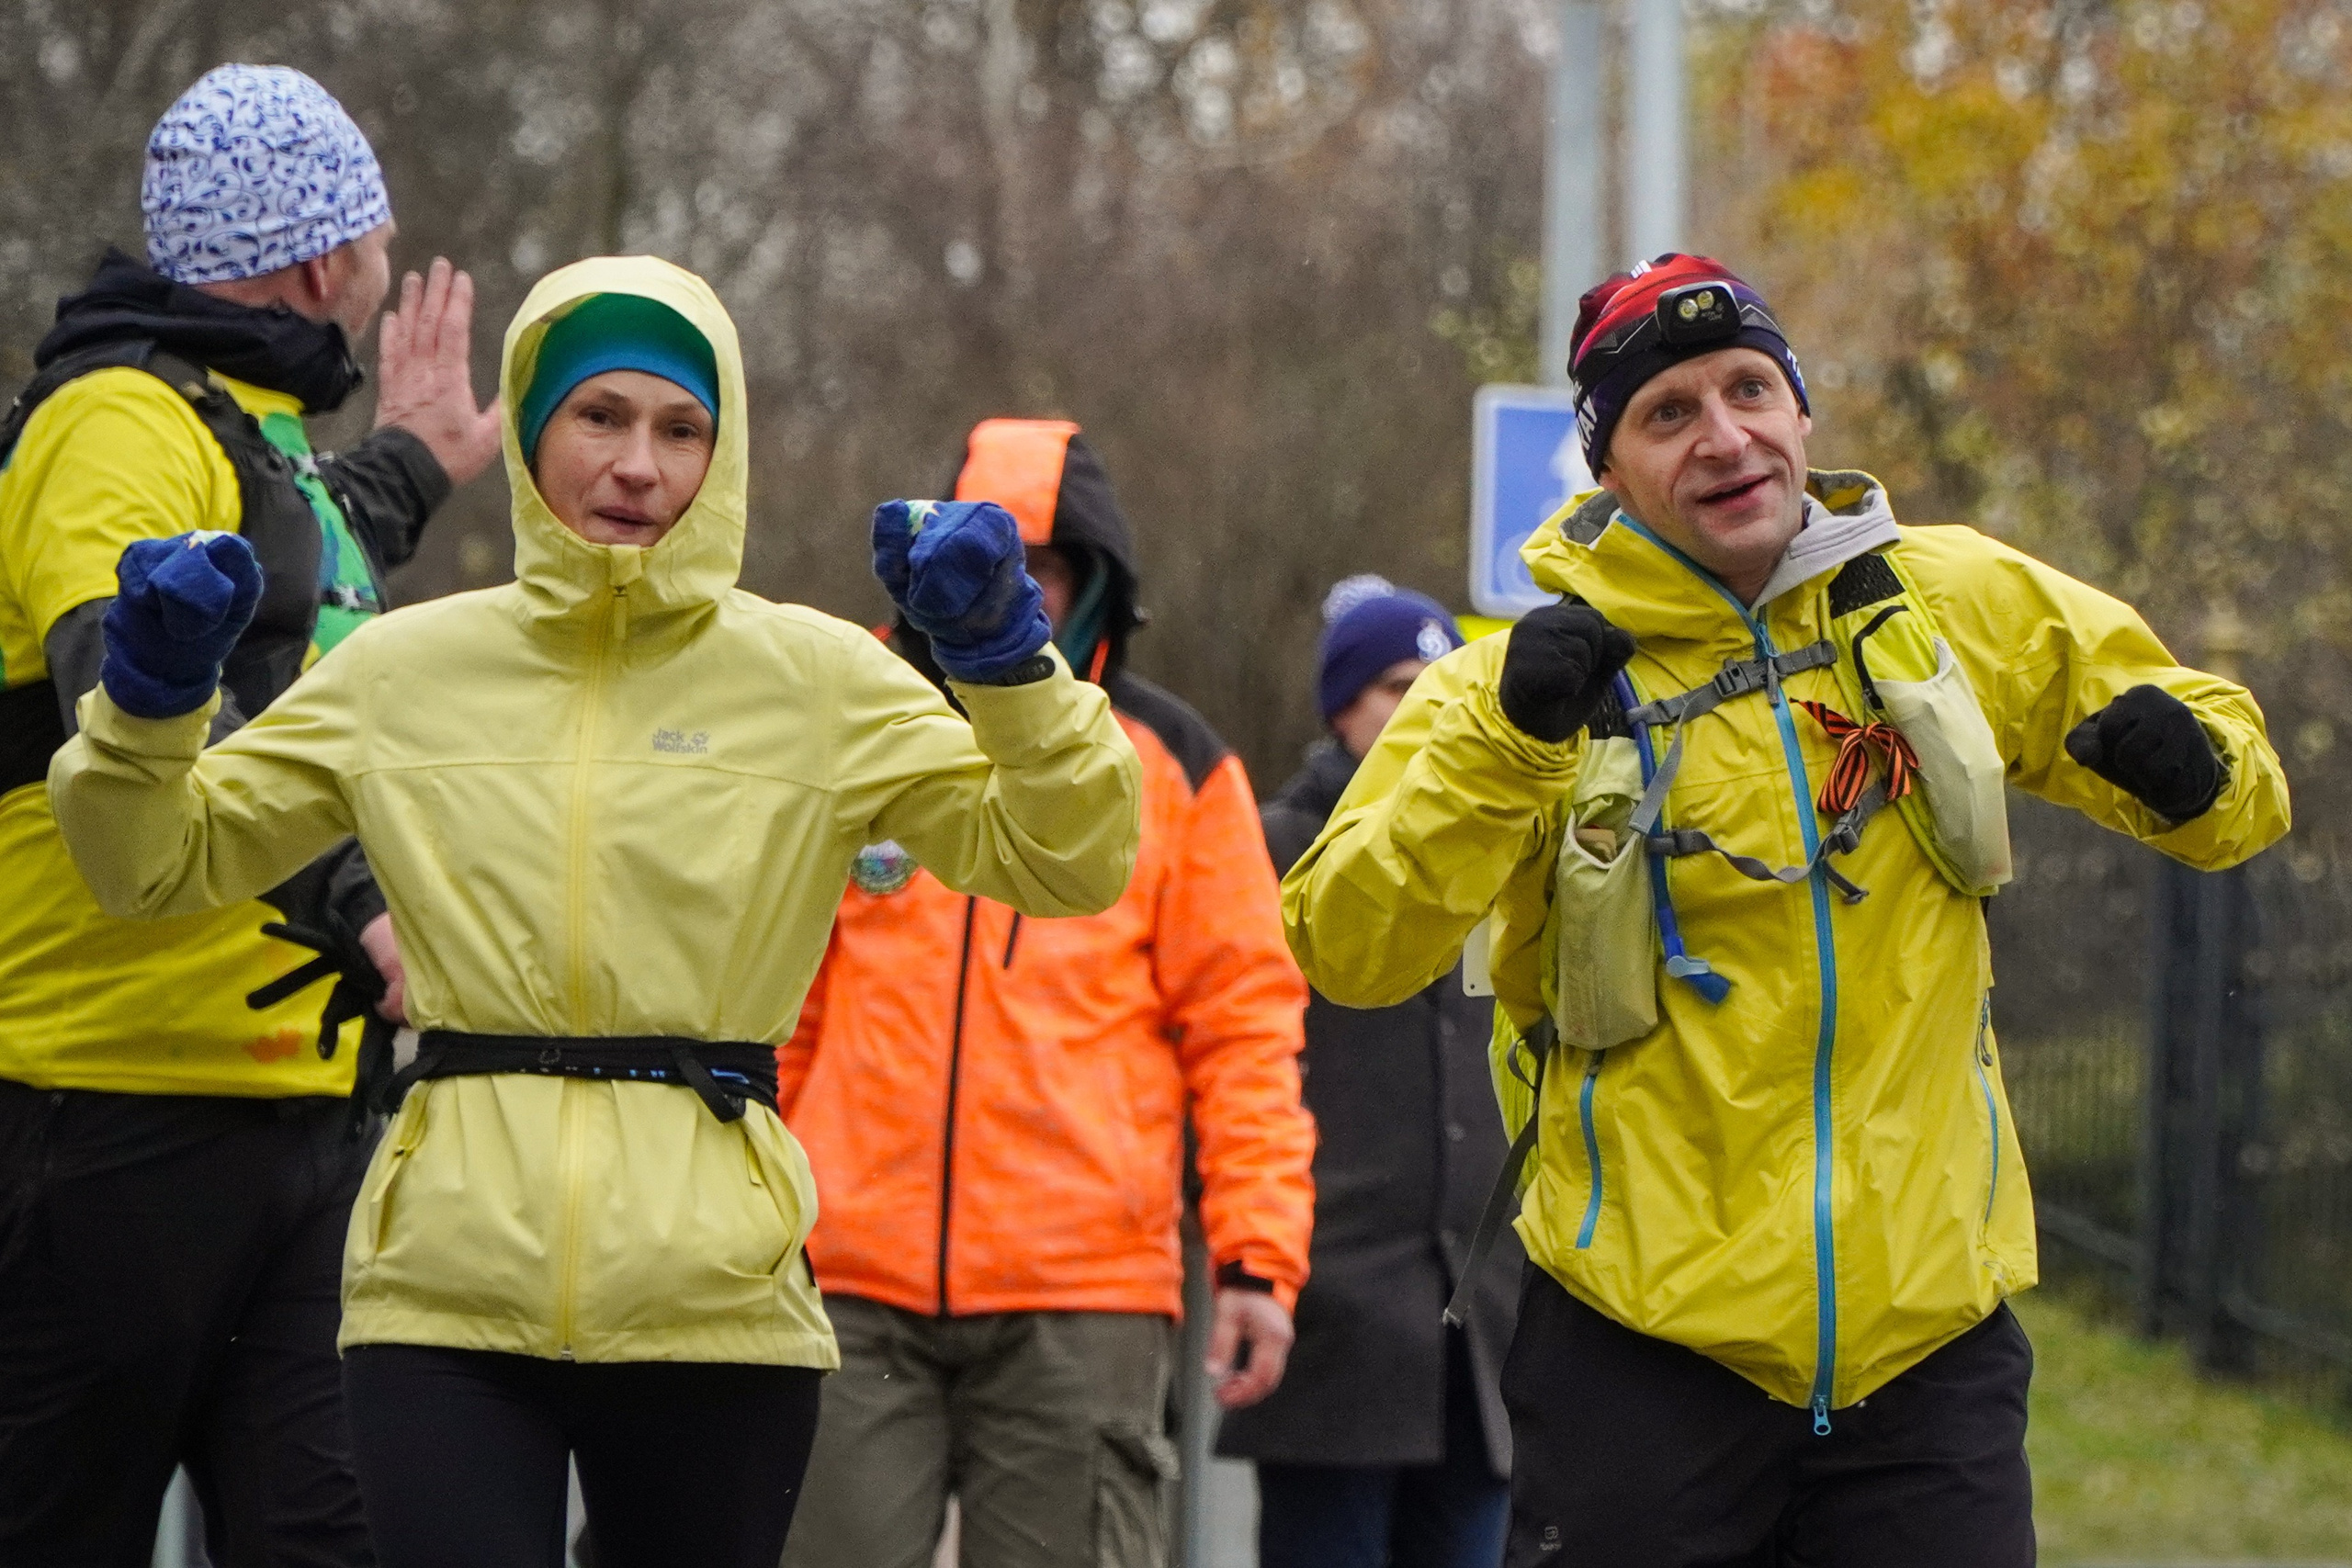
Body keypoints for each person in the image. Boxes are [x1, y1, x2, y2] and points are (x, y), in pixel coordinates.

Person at [45, 256, 1142, 1568]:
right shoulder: (407, 668)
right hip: (445, 1298)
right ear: (528, 431)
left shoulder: (819, 681)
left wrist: (1011, 663)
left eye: (683, 429)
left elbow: (1068, 857)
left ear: (722, 456)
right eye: (599, 416)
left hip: (715, 1304)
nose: (639, 465)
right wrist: (151, 706)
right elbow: (154, 865)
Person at [1281, 254, 2291, 1568]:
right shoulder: (1505, 688)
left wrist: (2196, 773)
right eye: (1668, 412)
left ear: (1802, 411)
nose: (1725, 435)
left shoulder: (1951, 603)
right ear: (1609, 471)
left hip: (1928, 1349)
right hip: (1638, 1349)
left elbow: (2236, 783)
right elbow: (1345, 945)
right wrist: (1513, 742)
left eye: (1750, 387)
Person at [0, 63, 496, 1566]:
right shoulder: (113, 422)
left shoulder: (257, 434)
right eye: (373, 239)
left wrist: (413, 467)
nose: (383, 268)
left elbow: (297, 585)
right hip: (105, 1118)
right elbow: (143, 711)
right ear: (314, 257)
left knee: (332, 1537)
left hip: (304, 1120)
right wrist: (363, 900)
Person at [777, 418, 1316, 1568]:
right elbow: (779, 998)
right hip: (845, 1273)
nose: (1008, 587)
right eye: (986, 556)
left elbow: (1243, 1027)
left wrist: (1256, 1257)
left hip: (1084, 1295)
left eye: (1043, 566)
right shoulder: (864, 731)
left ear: (1094, 585)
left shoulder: (1179, 765)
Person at [1216, 576, 1519, 1568]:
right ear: (1341, 706)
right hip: (1335, 1320)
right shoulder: (1260, 852)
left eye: (1443, 677)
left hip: (1481, 1331)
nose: (1425, 699)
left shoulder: (1499, 851)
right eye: (1397, 683)